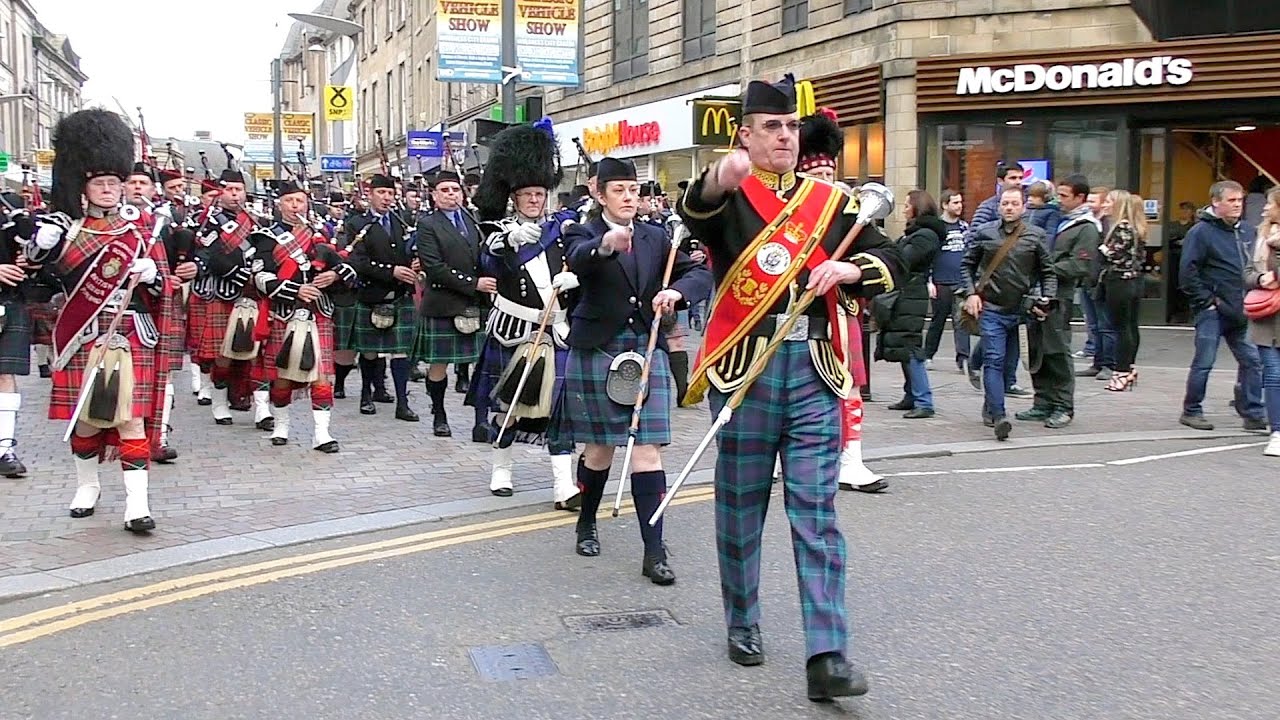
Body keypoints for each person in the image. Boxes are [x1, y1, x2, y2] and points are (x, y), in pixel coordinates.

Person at [680, 74, 902, 700]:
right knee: (741, 506)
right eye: (770, 126)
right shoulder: (731, 196)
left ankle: (827, 652)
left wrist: (853, 267)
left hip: (814, 370)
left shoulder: (832, 203)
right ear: (745, 136)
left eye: (789, 126)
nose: (784, 135)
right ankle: (742, 619)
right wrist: (717, 181)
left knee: (817, 513)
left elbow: (894, 259)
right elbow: (693, 214)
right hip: (745, 370)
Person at [559, 156, 713, 587]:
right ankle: (587, 521)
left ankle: (654, 550)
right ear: (599, 192)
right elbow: (579, 258)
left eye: (634, 191)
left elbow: (700, 272)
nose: (629, 198)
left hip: (647, 349)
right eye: (619, 191)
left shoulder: (656, 236)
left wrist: (676, 293)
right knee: (600, 450)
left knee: (648, 451)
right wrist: (607, 244)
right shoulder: (582, 230)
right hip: (598, 348)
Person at [26, 109, 176, 533]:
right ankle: (87, 486)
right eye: (101, 183)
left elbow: (164, 287)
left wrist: (151, 274)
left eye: (116, 183)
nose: (110, 190)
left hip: (131, 332)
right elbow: (40, 281)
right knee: (88, 417)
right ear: (84, 187)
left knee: (131, 417)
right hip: (84, 333)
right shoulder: (67, 229)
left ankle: (137, 506)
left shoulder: (143, 229)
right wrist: (43, 249)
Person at [469, 120, 582, 508]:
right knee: (509, 406)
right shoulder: (499, 230)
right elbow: (488, 254)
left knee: (560, 410)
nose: (535, 200)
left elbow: (583, 259)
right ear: (514, 197)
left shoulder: (563, 229)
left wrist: (575, 280)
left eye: (539, 193)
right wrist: (510, 240)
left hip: (556, 329)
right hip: (513, 329)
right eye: (527, 195)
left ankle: (563, 486)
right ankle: (502, 468)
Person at [251, 181, 359, 452]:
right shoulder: (266, 236)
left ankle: (321, 434)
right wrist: (296, 289)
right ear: (279, 204)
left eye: (299, 201)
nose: (295, 206)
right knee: (283, 376)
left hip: (318, 312)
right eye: (289, 201)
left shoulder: (322, 234)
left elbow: (348, 269)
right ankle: (281, 425)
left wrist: (334, 274)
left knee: (321, 377)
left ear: (307, 203)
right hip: (285, 312)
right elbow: (260, 277)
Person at [961, 186, 1056, 441]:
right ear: (999, 206)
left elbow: (1048, 271)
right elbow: (967, 265)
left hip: (1021, 310)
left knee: (1009, 365)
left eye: (1014, 203)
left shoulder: (1036, 236)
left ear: (1023, 206)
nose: (1009, 208)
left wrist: (1047, 298)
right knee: (994, 359)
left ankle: (990, 406)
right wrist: (971, 293)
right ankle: (1000, 415)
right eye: (1005, 203)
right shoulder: (985, 232)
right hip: (991, 307)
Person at [1179, 180, 1266, 431]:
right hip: (1214, 310)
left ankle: (1252, 413)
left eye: (1240, 200)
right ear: (1216, 202)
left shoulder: (1248, 231)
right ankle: (1191, 410)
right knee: (1204, 361)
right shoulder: (1200, 232)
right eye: (1232, 200)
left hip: (1242, 308)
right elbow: (1187, 272)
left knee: (1252, 361)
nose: (1238, 205)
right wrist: (1207, 302)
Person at [1016, 174, 1098, 429]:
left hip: (1059, 297)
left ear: (1080, 198)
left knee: (1058, 351)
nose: (1058, 200)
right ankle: (1042, 402)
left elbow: (1080, 264)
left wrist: (1047, 268)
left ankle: (1063, 405)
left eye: (1065, 196)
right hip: (1038, 294)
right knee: (1037, 349)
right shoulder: (1059, 221)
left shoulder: (1086, 227)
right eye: (1058, 194)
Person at [191, 166, 269, 428]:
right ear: (220, 193)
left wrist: (258, 275)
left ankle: (262, 409)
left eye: (239, 190)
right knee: (222, 353)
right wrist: (236, 274)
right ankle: (220, 403)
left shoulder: (256, 221)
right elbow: (207, 253)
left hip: (253, 291)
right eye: (230, 190)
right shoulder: (209, 221)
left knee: (258, 351)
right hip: (223, 291)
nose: (235, 195)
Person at [414, 170, 488, 436]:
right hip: (443, 302)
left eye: (455, 190)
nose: (450, 195)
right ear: (434, 195)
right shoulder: (427, 224)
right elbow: (434, 267)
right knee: (438, 365)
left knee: (482, 365)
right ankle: (439, 414)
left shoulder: (472, 219)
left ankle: (481, 421)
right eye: (444, 190)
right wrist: (473, 283)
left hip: (475, 303)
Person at [346, 174, 420, 423]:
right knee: (369, 351)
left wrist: (415, 264)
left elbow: (409, 252)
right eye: (381, 193)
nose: (386, 198)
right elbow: (357, 261)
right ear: (370, 194)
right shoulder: (357, 223)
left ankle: (403, 402)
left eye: (390, 193)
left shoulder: (403, 222)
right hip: (372, 294)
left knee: (401, 351)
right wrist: (391, 271)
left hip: (400, 294)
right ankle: (366, 394)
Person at [881, 190, 943, 419]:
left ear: (917, 207)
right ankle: (911, 394)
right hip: (907, 293)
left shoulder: (925, 235)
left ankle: (924, 400)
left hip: (912, 294)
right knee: (904, 345)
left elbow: (903, 260)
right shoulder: (916, 234)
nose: (904, 209)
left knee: (911, 346)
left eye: (907, 205)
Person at [1098, 189, 1148, 392]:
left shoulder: (1121, 228)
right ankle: (1128, 368)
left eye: (1108, 201)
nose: (1104, 204)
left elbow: (1112, 255)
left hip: (1120, 282)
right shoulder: (1135, 227)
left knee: (1121, 327)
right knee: (1129, 326)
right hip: (1133, 280)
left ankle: (1121, 371)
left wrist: (1100, 243)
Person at [1244, 186, 1280, 456]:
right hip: (1267, 318)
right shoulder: (1261, 234)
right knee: (1273, 374)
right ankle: (1277, 431)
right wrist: (1258, 279)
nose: (1265, 208)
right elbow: (1247, 271)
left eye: (1270, 204)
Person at [924, 189, 970, 373]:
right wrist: (929, 281)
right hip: (940, 281)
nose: (959, 206)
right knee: (938, 320)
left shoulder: (965, 227)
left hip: (960, 282)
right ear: (945, 205)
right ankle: (928, 354)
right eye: (955, 203)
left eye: (960, 202)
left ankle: (963, 358)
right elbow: (929, 256)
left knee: (962, 322)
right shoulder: (937, 228)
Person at [1076, 185, 1117, 377]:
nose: (1088, 204)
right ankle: (1097, 362)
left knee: (1105, 324)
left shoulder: (1109, 225)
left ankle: (1109, 364)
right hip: (1087, 278)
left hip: (1101, 280)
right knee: (1093, 323)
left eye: (1093, 201)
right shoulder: (1088, 222)